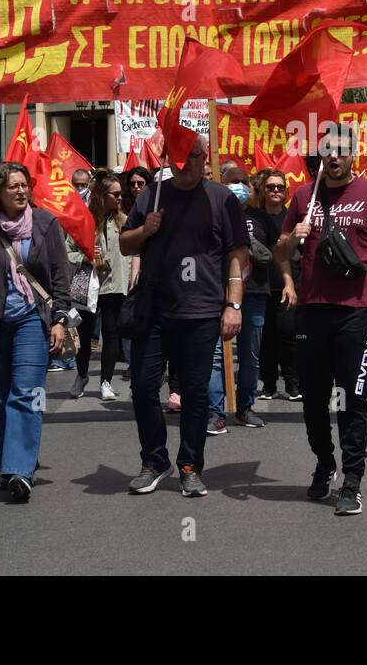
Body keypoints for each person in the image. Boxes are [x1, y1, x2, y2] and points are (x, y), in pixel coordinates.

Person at [275, 124, 367, 516]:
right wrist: (292, 244)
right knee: (313, 399)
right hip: (313, 312)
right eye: (327, 151)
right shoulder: (302, 195)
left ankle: (351, 480)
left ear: (353, 156)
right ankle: (324, 461)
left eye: (341, 151)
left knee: (351, 396)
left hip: (357, 313)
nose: (333, 158)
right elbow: (280, 253)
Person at [120, 137, 249, 498]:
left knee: (194, 393)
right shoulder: (151, 196)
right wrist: (146, 230)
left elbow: (238, 254)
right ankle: (155, 460)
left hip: (202, 311)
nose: (185, 164)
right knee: (144, 386)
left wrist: (233, 304)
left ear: (204, 157)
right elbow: (125, 243)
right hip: (155, 310)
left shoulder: (221, 199)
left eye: (192, 156)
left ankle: (190, 465)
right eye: (178, 157)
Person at [0, 162, 73, 501]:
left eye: (24, 184)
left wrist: (60, 319)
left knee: (26, 392)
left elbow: (60, 275)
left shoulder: (44, 224)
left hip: (31, 320)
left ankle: (20, 471)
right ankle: (12, 465)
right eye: (13, 186)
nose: (21, 191)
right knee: (1, 397)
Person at [208, 166, 280, 432]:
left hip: (255, 294)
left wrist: (289, 283)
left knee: (250, 356)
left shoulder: (260, 217)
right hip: (217, 294)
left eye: (244, 182)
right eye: (233, 181)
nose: (239, 185)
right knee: (215, 356)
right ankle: (215, 412)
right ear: (222, 183)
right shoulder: (212, 214)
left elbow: (277, 253)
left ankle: (245, 408)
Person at [70, 172, 135, 400]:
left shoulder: (124, 221)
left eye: (120, 193)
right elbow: (67, 252)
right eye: (115, 194)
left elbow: (132, 251)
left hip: (114, 286)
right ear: (101, 196)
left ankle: (106, 381)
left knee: (111, 334)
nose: (119, 197)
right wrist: (85, 258)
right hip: (87, 287)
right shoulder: (83, 221)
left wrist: (131, 275)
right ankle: (82, 373)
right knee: (84, 334)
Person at [255, 169, 302, 402]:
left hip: (287, 286)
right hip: (260, 286)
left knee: (288, 335)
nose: (275, 191)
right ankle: (269, 384)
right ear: (263, 190)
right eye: (271, 187)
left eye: (280, 187)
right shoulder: (254, 218)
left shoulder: (292, 220)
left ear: (286, 192)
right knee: (266, 339)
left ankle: (293, 384)